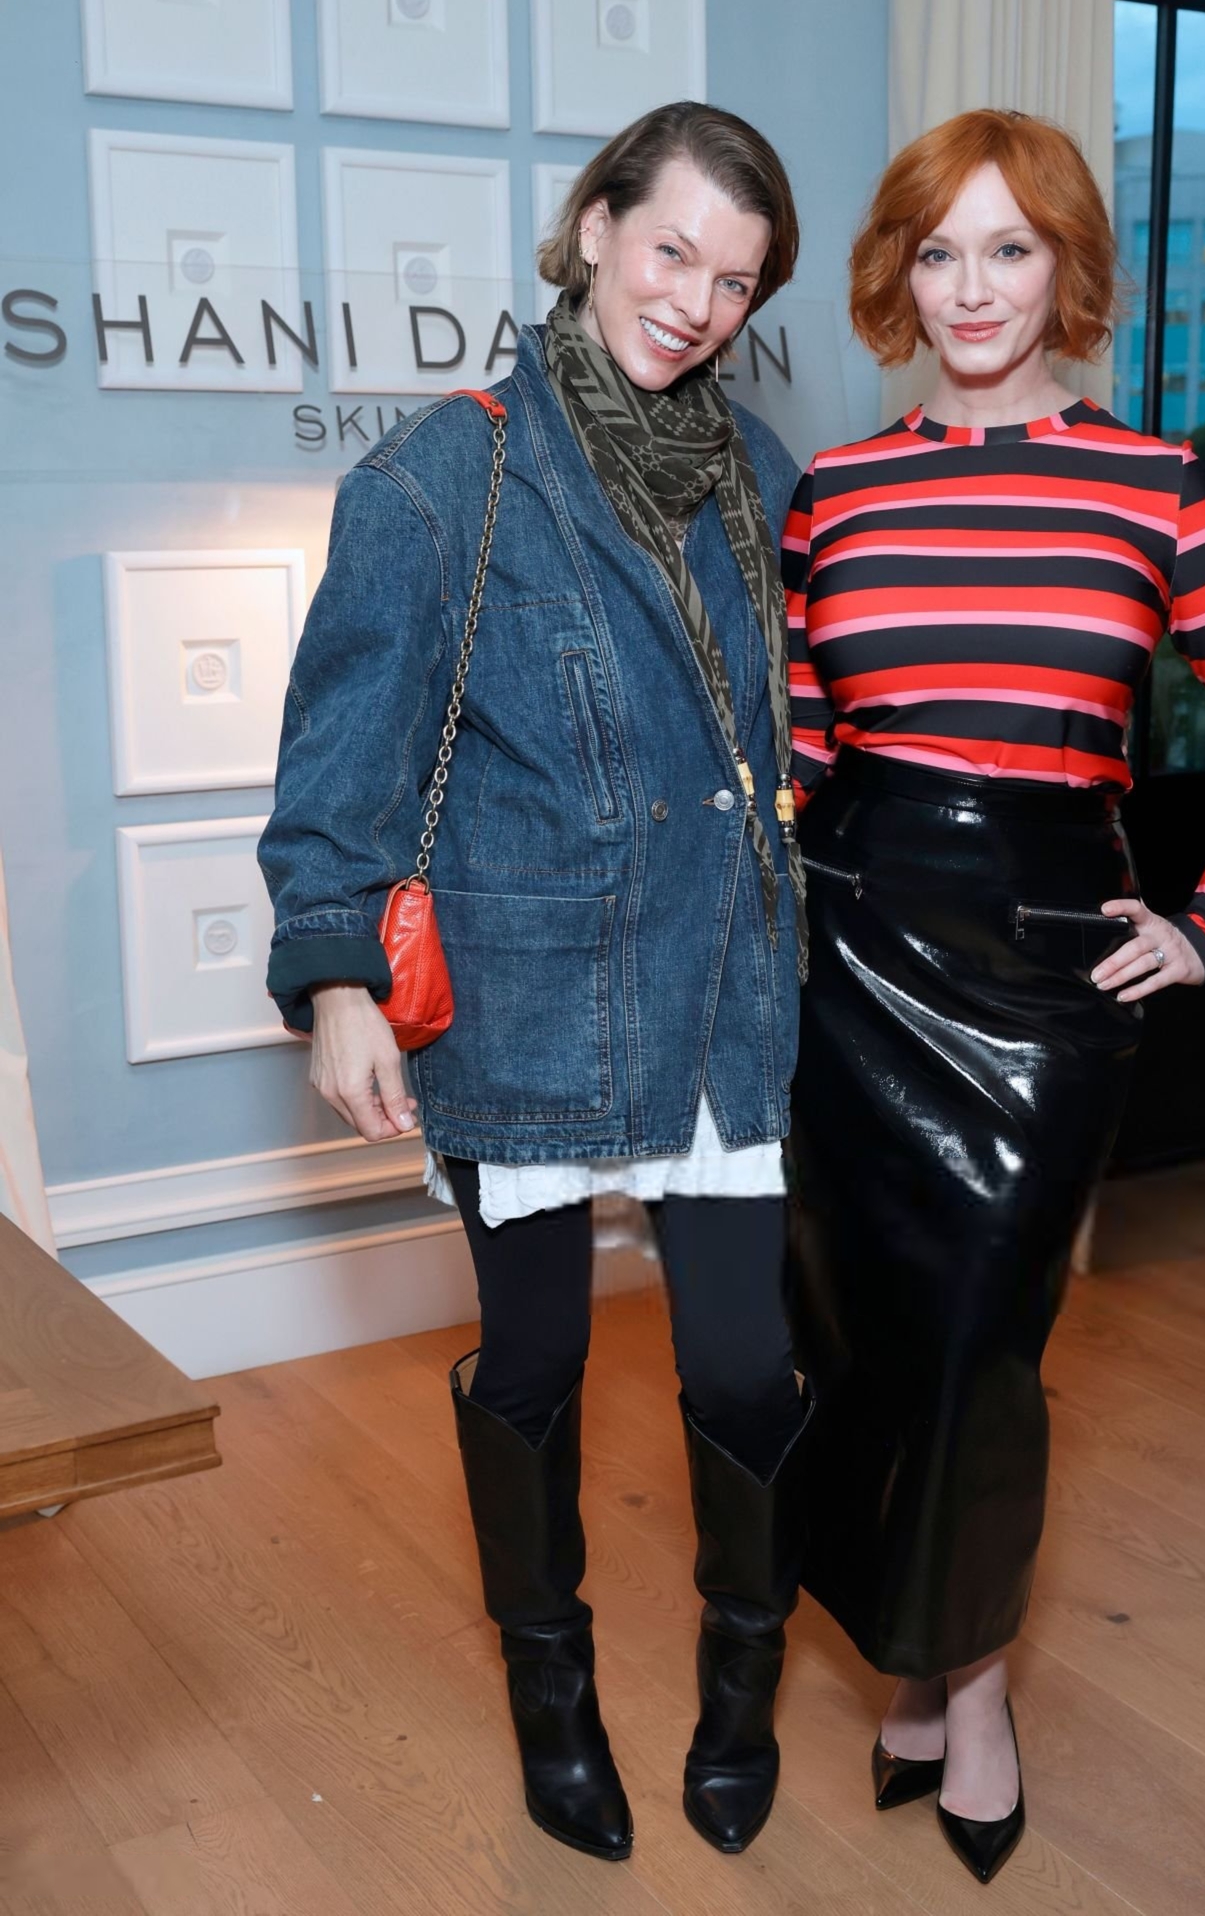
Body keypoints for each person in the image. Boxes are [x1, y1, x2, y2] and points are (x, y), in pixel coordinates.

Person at [259, 102, 813, 1863]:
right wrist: (338, 980)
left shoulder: (763, 480)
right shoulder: (444, 476)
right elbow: (342, 760)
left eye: (733, 281)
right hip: (532, 989)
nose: (695, 302)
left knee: (743, 1368)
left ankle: (743, 1675)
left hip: (723, 987)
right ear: (589, 232)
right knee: (537, 1355)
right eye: (671, 251)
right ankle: (549, 1683)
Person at [781, 109, 1205, 1884]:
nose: (970, 287)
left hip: (1045, 964)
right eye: (937, 250)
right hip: (850, 945)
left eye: (1007, 248)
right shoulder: (832, 494)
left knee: (982, 1346)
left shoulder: (1158, 487)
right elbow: (802, 748)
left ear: (1065, 266)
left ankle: (970, 1682)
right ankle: (920, 1669)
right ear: (898, 273)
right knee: (861, 1335)